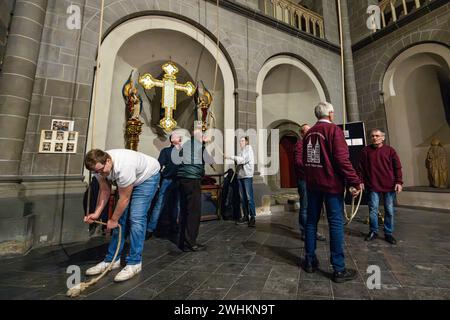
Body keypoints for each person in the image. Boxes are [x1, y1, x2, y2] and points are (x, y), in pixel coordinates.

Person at [303, 102, 362, 283]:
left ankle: (310, 262)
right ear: (330, 114)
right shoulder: (334, 131)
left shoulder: (308, 133)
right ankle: (338, 269)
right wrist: (355, 181)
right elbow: (342, 160)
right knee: (335, 224)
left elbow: (305, 161)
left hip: (313, 185)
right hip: (331, 185)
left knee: (311, 223)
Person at [83, 149, 160, 282]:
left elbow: (124, 198)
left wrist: (113, 219)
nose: (100, 174)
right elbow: (105, 190)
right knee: (121, 220)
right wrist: (96, 214)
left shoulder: (124, 167)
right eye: (96, 172)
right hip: (132, 177)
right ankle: (112, 260)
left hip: (147, 177)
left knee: (136, 218)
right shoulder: (98, 168)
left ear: (108, 160)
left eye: (101, 170)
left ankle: (135, 262)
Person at [359, 129, 403, 245]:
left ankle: (388, 233)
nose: (374, 138)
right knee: (373, 210)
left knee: (389, 210)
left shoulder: (390, 151)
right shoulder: (366, 151)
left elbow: (397, 167)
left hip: (389, 185)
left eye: (377, 136)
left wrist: (399, 182)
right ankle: (373, 231)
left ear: (383, 138)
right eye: (373, 136)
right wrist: (360, 181)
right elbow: (360, 168)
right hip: (373, 185)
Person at [177, 125, 213, 252]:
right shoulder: (200, 146)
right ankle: (190, 243)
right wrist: (206, 145)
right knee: (194, 212)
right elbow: (210, 160)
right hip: (192, 179)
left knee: (184, 210)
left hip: (182, 179)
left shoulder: (185, 145)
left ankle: (182, 241)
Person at [146, 132, 182, 239]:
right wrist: (157, 181)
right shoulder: (165, 151)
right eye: (177, 137)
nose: (180, 138)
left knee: (176, 204)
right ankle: (150, 229)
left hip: (179, 181)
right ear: (172, 140)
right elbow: (159, 166)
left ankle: (174, 226)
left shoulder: (183, 152)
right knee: (159, 204)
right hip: (167, 180)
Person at [293, 124, 326, 242]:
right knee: (305, 206)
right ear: (302, 133)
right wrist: (312, 168)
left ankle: (312, 231)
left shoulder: (313, 144)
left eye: (310, 130)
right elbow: (298, 162)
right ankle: (304, 232)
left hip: (315, 180)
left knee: (314, 207)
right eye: (306, 131)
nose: (309, 132)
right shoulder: (300, 144)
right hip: (304, 179)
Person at [226, 136, 256, 227]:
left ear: (246, 142)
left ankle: (252, 217)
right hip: (240, 176)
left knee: (249, 197)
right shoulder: (241, 151)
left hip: (247, 176)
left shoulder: (249, 149)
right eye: (240, 141)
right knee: (243, 198)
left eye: (242, 141)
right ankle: (246, 216)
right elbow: (239, 162)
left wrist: (230, 157)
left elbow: (243, 160)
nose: (241, 142)